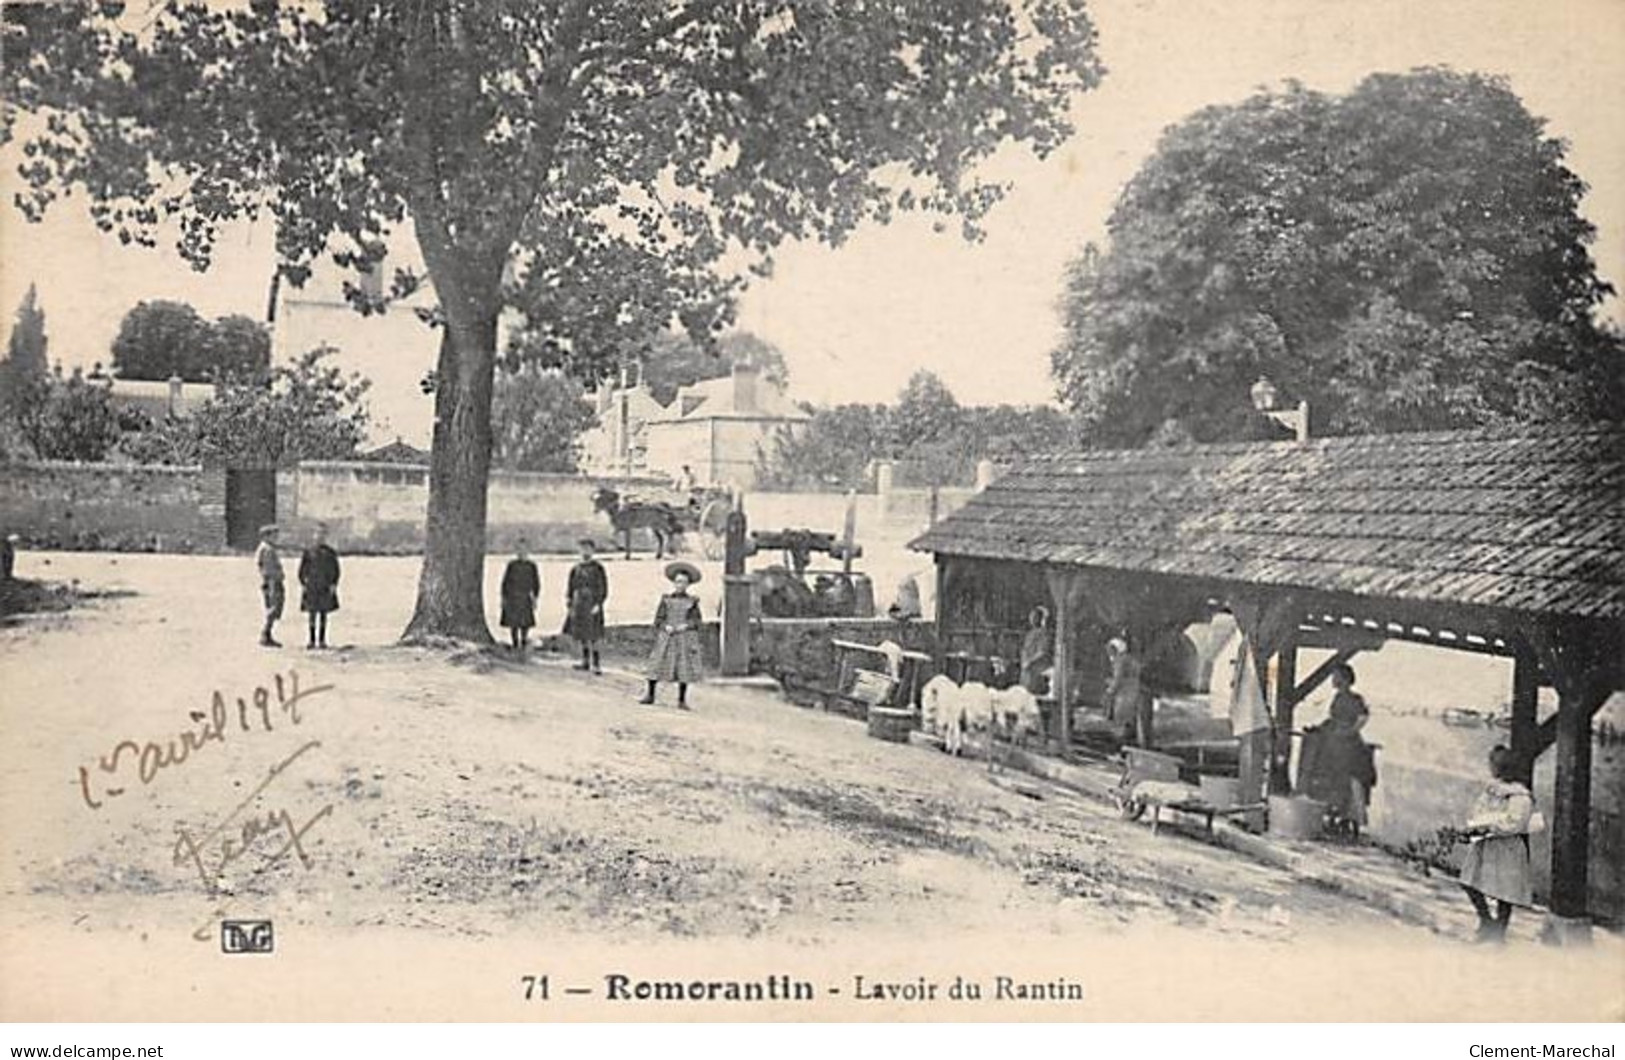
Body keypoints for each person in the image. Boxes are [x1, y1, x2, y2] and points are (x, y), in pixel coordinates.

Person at [1457, 745, 1538, 943]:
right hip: (1486, 845)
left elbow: (1514, 823)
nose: (1491, 768)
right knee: (1469, 882)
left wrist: (1489, 825)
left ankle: (1499, 931)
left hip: (1507, 847)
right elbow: (1478, 811)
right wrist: (1474, 825)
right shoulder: (1491, 790)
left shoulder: (1520, 797)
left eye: (1493, 765)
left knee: (1505, 890)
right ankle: (1486, 921)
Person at [1298, 663, 1378, 836]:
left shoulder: (1355, 699)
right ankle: (1329, 808)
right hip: (1334, 739)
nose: (1333, 680)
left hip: (1347, 742)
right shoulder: (1337, 698)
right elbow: (1331, 719)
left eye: (1336, 677)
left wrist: (1350, 731)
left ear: (1344, 679)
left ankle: (1345, 812)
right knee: (1325, 770)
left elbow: (1362, 717)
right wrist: (1318, 728)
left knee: (1346, 775)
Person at [639, 561, 704, 709]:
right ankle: (650, 694)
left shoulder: (692, 602)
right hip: (667, 636)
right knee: (656, 664)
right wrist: (665, 626)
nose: (680, 585)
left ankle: (681, 700)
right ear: (674, 583)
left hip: (683, 638)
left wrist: (685, 626)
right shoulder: (666, 600)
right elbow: (658, 619)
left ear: (688, 585)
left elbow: (697, 621)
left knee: (683, 668)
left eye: (684, 582)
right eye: (678, 582)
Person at [564, 538, 608, 673]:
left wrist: (598, 604)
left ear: (593, 551)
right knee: (582, 634)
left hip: (592, 603)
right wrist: (570, 603)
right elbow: (571, 587)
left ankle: (596, 663)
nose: (585, 552)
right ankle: (585, 661)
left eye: (588, 549)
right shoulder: (575, 568)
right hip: (579, 604)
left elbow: (603, 588)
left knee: (594, 634)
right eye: (582, 549)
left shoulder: (598, 568)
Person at [297, 523, 342, 650]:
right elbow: (302, 570)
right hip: (312, 587)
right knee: (311, 614)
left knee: (323, 614)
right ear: (313, 535)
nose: (320, 536)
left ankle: (322, 640)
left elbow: (336, 570)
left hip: (325, 587)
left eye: (323, 534)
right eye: (317, 533)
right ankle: (311, 640)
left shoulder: (330, 552)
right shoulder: (308, 552)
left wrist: (334, 584)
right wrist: (303, 583)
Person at [1106, 635, 1152, 747]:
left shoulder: (1120, 661)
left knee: (1120, 721)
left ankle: (1120, 746)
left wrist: (1110, 690)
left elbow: (1118, 678)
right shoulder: (1131, 659)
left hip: (1124, 694)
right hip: (1134, 691)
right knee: (1131, 720)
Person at [500, 541, 541, 652]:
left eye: (524, 549)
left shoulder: (532, 566)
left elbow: (536, 583)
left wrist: (535, 598)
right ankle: (515, 643)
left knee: (525, 623)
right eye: (519, 549)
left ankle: (523, 642)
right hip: (512, 596)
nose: (521, 552)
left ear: (528, 551)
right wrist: (503, 598)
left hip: (525, 596)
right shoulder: (511, 565)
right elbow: (505, 583)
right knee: (513, 623)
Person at [254, 524, 285, 648]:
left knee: (273, 608)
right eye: (273, 535)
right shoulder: (267, 550)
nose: (276, 538)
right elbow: (268, 569)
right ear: (266, 536)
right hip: (272, 581)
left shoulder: (266, 548)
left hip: (270, 580)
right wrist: (277, 578)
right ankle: (265, 634)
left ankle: (268, 634)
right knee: (273, 608)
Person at [1020, 605, 1053, 695]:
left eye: (1035, 617)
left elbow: (1042, 651)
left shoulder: (1043, 634)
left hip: (1036, 670)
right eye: (1031, 617)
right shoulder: (1030, 634)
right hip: (1026, 670)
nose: (1032, 619)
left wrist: (1030, 661)